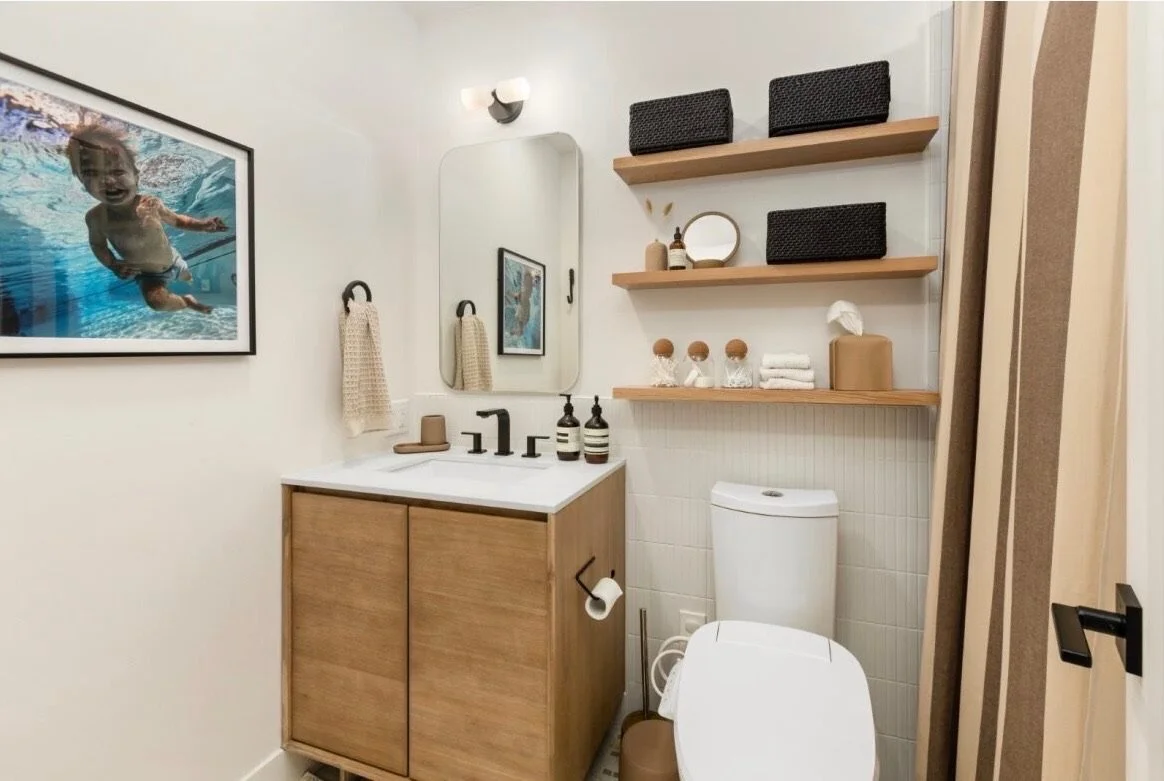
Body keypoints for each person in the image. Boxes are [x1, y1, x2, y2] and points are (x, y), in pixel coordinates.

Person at [66, 124, 226, 314]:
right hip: (149, 276)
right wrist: (113, 264)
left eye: (117, 172)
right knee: (156, 303)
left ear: (136, 176)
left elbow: (179, 221)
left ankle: (185, 279)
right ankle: (187, 302)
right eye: (92, 174)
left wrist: (203, 225)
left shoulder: (151, 203)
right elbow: (98, 245)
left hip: (173, 260)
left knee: (186, 277)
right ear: (82, 182)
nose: (108, 181)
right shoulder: (95, 218)